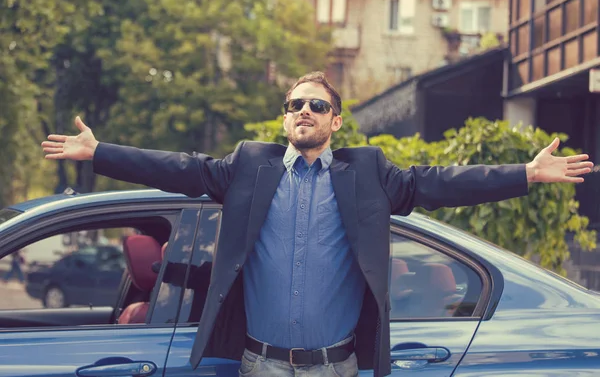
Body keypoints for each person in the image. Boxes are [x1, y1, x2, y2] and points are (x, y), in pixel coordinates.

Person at [41, 71, 593, 377]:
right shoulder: (246, 168)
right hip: (259, 365)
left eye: (316, 105)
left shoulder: (369, 173)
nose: (304, 110)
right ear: (284, 118)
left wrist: (525, 172)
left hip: (338, 367)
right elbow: (179, 169)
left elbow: (442, 182)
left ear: (335, 120)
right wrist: (100, 153)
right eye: (294, 103)